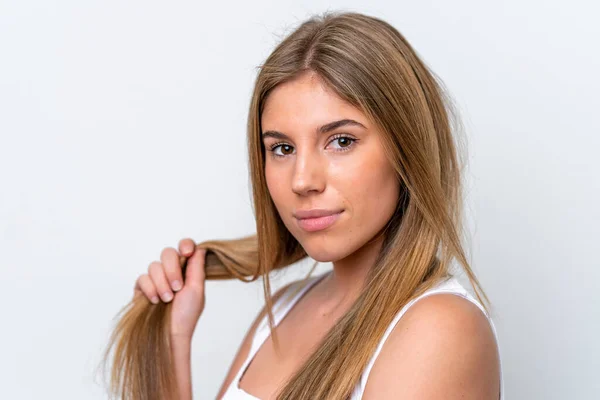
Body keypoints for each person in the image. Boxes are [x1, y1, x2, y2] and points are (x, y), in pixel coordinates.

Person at [101, 10, 503, 400]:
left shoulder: (439, 328)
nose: (302, 180)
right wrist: (171, 343)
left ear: (408, 149)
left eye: (341, 141)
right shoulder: (284, 307)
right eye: (282, 148)